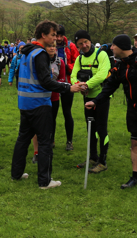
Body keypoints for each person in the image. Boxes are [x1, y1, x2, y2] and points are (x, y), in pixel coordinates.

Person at [85, 34, 137, 194]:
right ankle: (135, 177)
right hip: (133, 109)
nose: (111, 48)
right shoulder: (120, 65)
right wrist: (95, 101)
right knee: (135, 143)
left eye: (114, 45)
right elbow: (110, 86)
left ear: (122, 47)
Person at [11, 20, 85, 189]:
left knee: (23, 139)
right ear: (43, 35)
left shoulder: (26, 52)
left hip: (25, 102)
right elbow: (46, 81)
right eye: (53, 35)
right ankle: (44, 181)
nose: (55, 38)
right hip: (39, 103)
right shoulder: (40, 54)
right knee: (45, 142)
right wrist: (68, 87)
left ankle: (16, 174)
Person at [71, 30, 112, 173]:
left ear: (90, 41)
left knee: (101, 129)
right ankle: (93, 157)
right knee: (90, 128)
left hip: (101, 98)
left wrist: (86, 85)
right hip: (87, 97)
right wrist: (79, 85)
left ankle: (103, 161)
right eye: (80, 43)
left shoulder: (101, 55)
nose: (84, 45)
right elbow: (73, 76)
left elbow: (102, 74)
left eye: (86, 42)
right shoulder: (79, 59)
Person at [54, 24, 80, 149]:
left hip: (67, 83)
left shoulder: (71, 46)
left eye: (61, 36)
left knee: (67, 112)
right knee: (51, 114)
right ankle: (51, 140)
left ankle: (69, 141)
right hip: (53, 84)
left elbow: (77, 63)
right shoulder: (50, 45)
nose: (58, 38)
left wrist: (65, 66)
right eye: (56, 35)